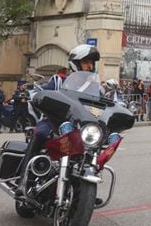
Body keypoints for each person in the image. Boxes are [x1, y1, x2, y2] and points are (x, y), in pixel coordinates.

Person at [16, 44, 100, 187]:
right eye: (86, 62)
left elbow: (100, 107)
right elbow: (41, 93)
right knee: (41, 133)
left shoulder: (95, 88)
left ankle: (86, 187)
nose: (90, 66)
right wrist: (35, 95)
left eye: (91, 63)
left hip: (79, 126)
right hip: (54, 122)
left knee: (93, 146)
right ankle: (24, 178)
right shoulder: (58, 81)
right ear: (76, 64)